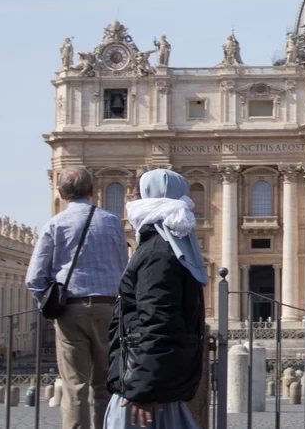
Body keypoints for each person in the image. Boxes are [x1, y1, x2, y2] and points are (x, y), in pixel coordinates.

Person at [26, 167, 129, 429]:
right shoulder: (113, 221)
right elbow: (122, 265)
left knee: (75, 387)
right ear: (93, 190)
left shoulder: (54, 224)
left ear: (60, 193)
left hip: (70, 310)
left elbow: (34, 278)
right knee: (107, 384)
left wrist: (48, 303)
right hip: (109, 308)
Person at [106, 169, 207, 429]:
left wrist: (142, 388)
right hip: (156, 379)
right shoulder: (167, 246)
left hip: (144, 390)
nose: (130, 202)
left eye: (136, 194)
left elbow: (157, 320)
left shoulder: (157, 253)